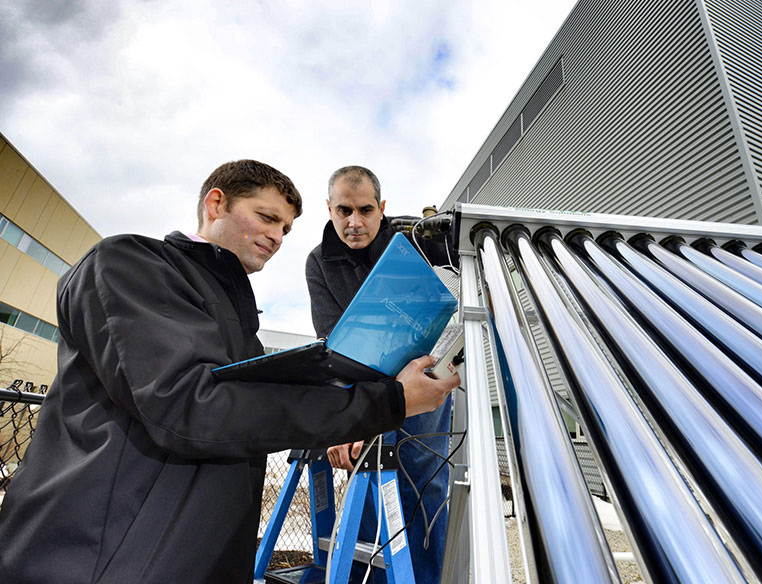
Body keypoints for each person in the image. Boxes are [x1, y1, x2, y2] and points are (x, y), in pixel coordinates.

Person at [0, 160, 459, 584]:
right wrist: (385, 403)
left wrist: (356, 410)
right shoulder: (129, 262)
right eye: (266, 217)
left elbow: (258, 412)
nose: (278, 236)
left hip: (194, 555)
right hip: (100, 556)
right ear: (216, 203)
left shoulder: (241, 324)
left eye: (285, 227)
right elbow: (192, 406)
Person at [306, 165, 454, 584]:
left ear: (382, 208)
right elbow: (332, 342)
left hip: (422, 382)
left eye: (366, 210)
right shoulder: (319, 262)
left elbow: (459, 284)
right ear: (329, 209)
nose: (355, 223)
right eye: (344, 211)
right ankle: (367, 578)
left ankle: (422, 579)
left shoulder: (416, 246)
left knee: (425, 486)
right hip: (364, 385)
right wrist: (345, 418)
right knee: (365, 484)